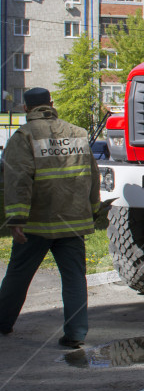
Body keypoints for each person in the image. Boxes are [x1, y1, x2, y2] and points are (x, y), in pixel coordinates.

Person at [0, 88, 100, 348]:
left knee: (18, 275)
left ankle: (3, 322)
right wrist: (94, 207)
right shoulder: (77, 133)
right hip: (73, 222)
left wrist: (16, 219)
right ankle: (76, 334)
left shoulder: (23, 137)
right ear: (51, 104)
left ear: (25, 109)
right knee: (75, 278)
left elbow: (18, 179)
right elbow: (92, 173)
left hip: (36, 224)